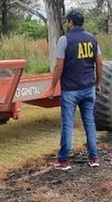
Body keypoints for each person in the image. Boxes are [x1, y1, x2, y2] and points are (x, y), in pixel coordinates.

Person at [44, 9, 103, 170]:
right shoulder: (92, 39)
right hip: (88, 88)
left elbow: (58, 66)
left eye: (67, 21)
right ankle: (93, 157)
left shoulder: (65, 40)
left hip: (70, 90)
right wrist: (98, 82)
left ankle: (63, 160)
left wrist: (52, 87)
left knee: (68, 124)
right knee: (89, 123)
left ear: (70, 22)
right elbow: (100, 63)